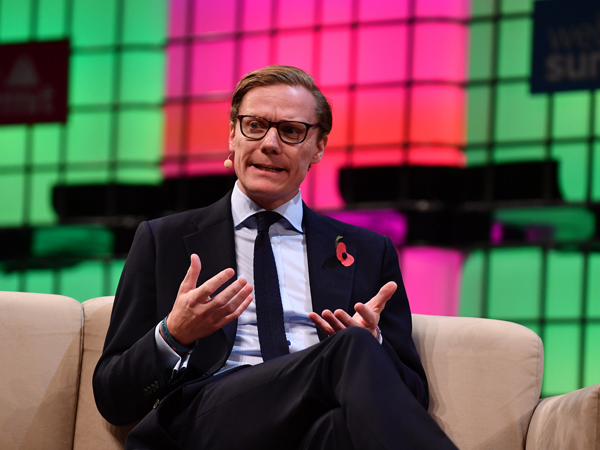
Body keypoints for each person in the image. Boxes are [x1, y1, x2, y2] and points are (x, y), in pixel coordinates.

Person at [93, 65, 458, 449]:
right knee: (349, 347)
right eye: (254, 125)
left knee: (342, 418)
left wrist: (375, 347)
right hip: (208, 421)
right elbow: (112, 396)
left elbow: (412, 397)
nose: (270, 143)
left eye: (291, 131)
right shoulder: (163, 240)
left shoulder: (367, 251)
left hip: (314, 425)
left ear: (318, 147)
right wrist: (174, 335)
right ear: (232, 134)